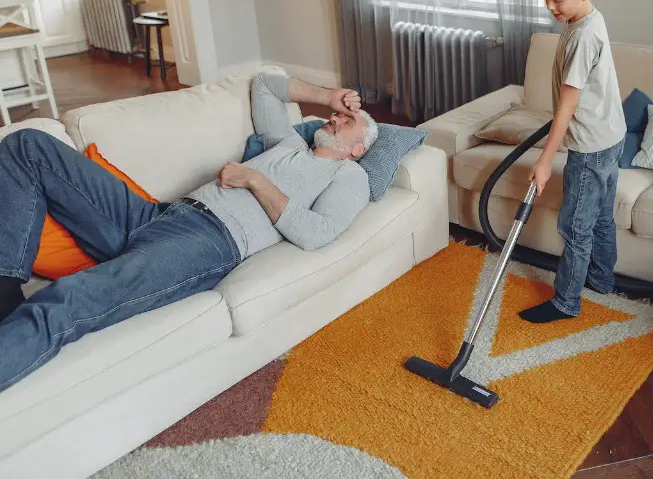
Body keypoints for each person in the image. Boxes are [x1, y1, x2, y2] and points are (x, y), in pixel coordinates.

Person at [0, 72, 377, 392]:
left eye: (348, 122)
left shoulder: (348, 176)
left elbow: (317, 232)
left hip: (205, 242)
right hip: (156, 215)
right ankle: (4, 287)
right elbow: (264, 83)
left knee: (70, 297)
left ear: (357, 149)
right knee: (27, 144)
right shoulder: (290, 142)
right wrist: (329, 95)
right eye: (338, 114)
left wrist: (256, 180)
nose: (336, 119)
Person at [521, 0, 627, 324]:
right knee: (600, 218)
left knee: (575, 226)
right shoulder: (586, 20)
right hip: (611, 135)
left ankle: (566, 303)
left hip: (590, 146)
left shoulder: (583, 37)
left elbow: (567, 106)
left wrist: (545, 160)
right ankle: (601, 280)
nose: (552, 7)